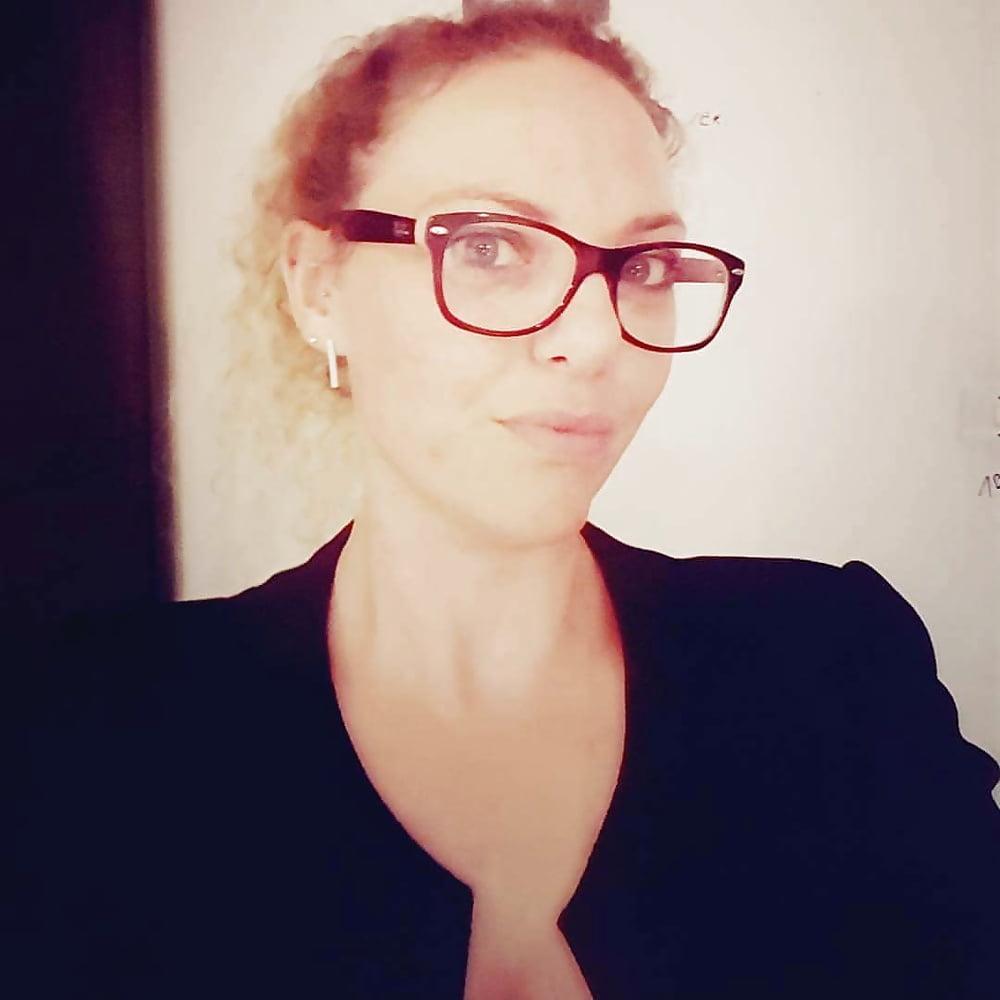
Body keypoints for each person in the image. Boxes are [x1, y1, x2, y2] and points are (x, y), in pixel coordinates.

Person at [9, 2, 999, 998]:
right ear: (317, 287)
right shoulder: (101, 737)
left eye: (645, 264)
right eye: (489, 245)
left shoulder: (831, 667)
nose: (597, 340)